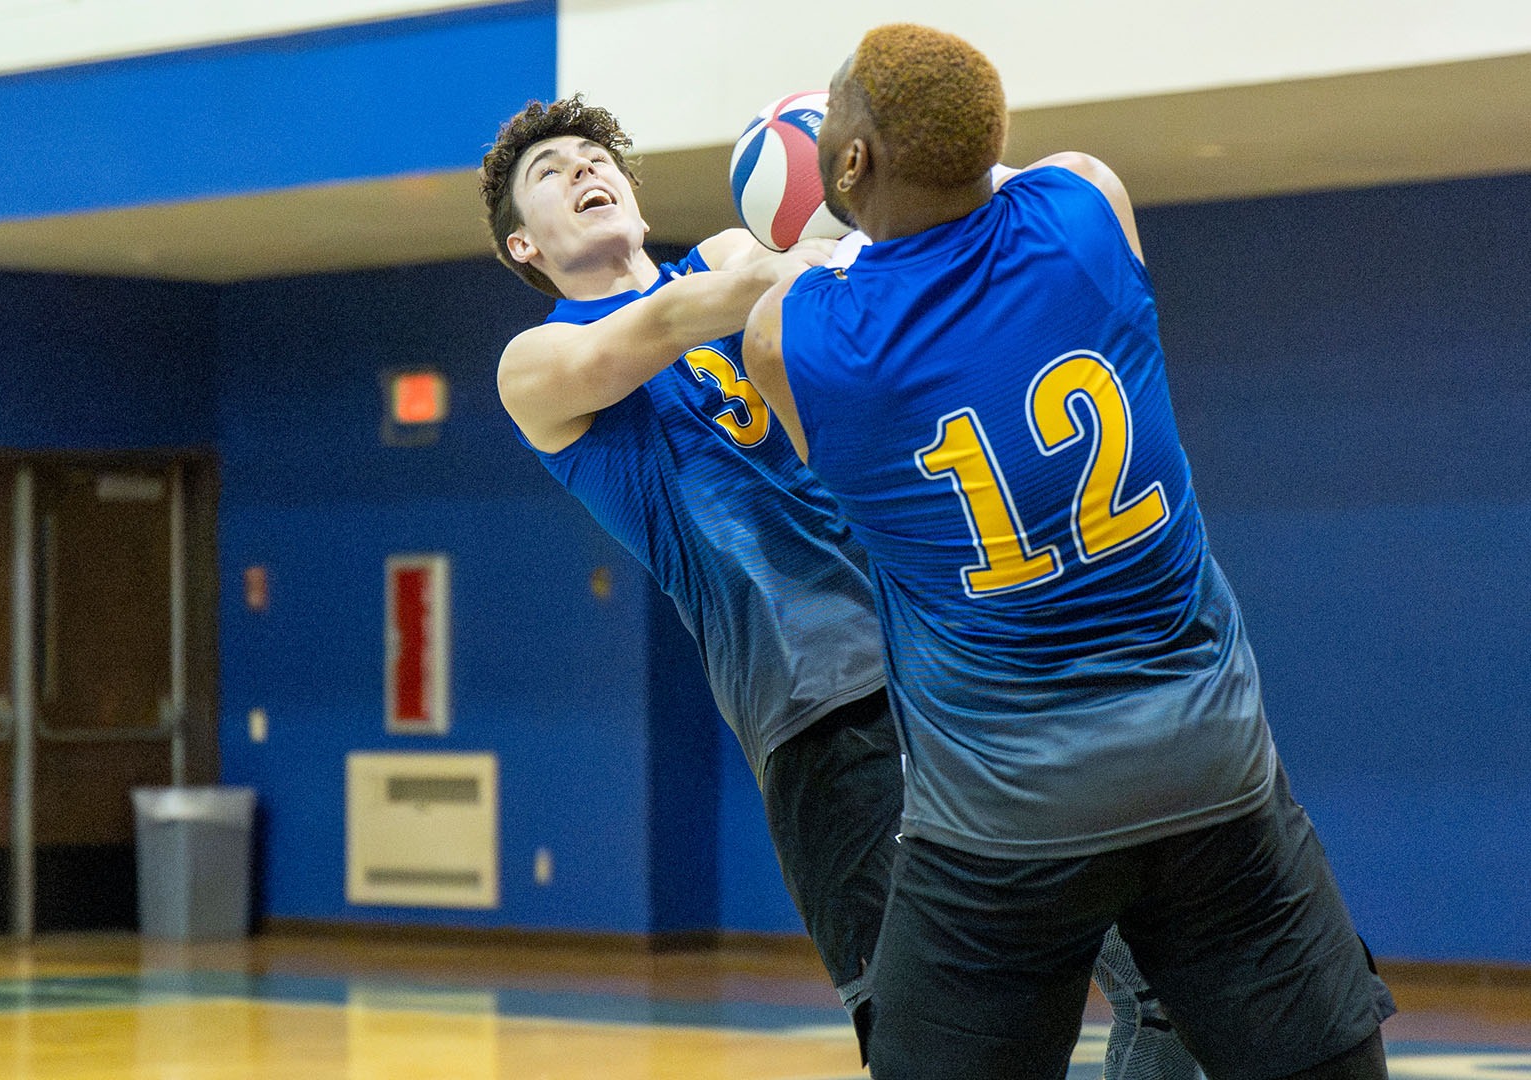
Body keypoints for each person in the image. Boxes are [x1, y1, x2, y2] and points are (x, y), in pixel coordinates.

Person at [482, 95, 1200, 1077]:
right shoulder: (538, 364)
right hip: (821, 718)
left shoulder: (732, 252)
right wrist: (838, 245)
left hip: (955, 672)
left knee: (1177, 987)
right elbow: (660, 323)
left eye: (593, 157)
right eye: (550, 172)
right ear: (524, 245)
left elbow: (772, 281)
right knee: (935, 1048)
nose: (582, 170)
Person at [741, 24, 1394, 1078]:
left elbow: (799, 310)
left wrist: (839, 227)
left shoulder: (798, 336)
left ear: (849, 162)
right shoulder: (1086, 206)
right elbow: (1008, 171)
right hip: (1207, 769)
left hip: (1000, 818)